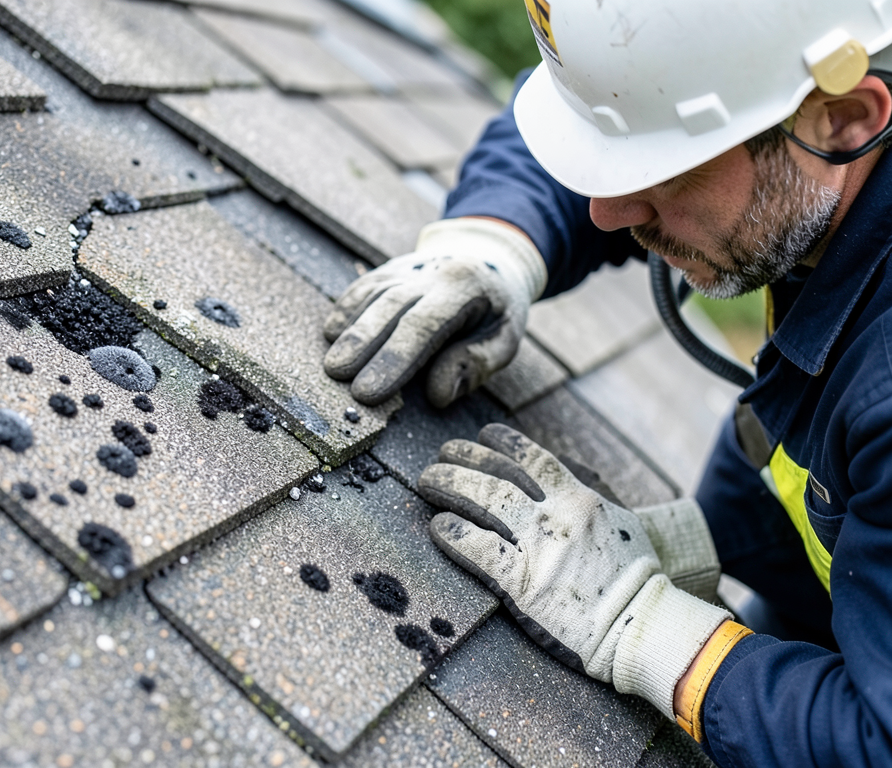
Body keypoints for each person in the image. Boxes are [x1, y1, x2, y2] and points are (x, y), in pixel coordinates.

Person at [322, 2, 892, 766]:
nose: (605, 209)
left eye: (656, 172)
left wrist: (644, 624)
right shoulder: (819, 168)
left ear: (847, 119)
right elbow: (616, 112)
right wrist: (496, 244)